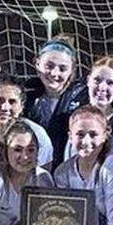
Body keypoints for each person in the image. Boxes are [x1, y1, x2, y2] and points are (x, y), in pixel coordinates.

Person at [0, 73, 54, 178]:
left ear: (21, 107)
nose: (4, 108)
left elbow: (44, 177)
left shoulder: (38, 135)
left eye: (12, 102)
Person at [24, 36, 87, 166]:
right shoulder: (26, 95)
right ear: (37, 64)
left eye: (62, 68)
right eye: (49, 66)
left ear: (72, 70)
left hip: (68, 170)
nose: (54, 73)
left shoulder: (82, 97)